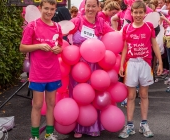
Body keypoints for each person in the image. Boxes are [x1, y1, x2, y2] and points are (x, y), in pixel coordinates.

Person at [68, 0, 114, 138]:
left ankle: (94, 125)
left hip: (96, 68)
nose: (91, 8)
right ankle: (78, 126)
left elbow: (114, 37)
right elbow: (60, 33)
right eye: (89, 6)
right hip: (78, 68)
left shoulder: (101, 22)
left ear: (99, 7)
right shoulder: (77, 21)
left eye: (94, 6)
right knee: (79, 95)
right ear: (85, 7)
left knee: (94, 95)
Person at [118, 1, 163, 138]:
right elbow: (124, 47)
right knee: (130, 96)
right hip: (131, 64)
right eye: (135, 12)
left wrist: (160, 62)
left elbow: (155, 45)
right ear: (131, 13)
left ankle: (144, 124)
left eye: (140, 12)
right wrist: (121, 65)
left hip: (145, 64)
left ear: (145, 13)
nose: (138, 15)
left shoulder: (149, 27)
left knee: (144, 95)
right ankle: (130, 125)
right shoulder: (127, 28)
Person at [20, 0, 63, 140]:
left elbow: (60, 47)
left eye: (52, 9)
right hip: (38, 73)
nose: (49, 12)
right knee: (37, 105)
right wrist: (39, 46)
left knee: (51, 104)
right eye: (46, 8)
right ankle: (34, 137)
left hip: (53, 73)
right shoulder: (32, 26)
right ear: (40, 8)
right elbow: (22, 47)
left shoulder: (57, 27)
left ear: (55, 9)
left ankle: (49, 134)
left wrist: (58, 50)